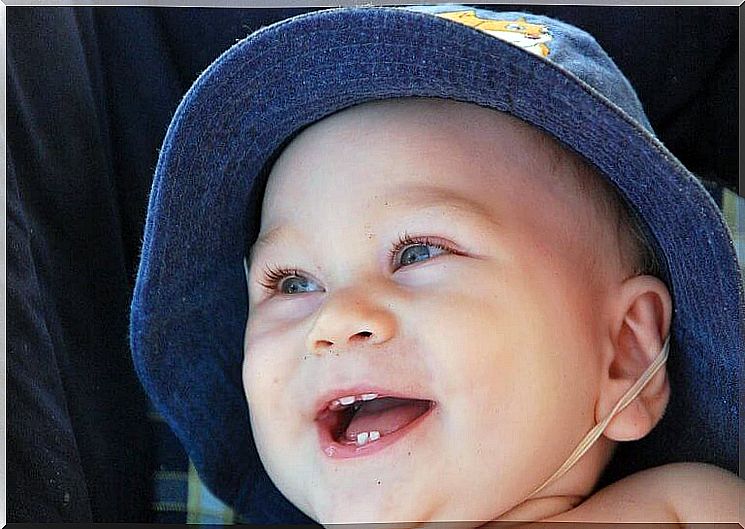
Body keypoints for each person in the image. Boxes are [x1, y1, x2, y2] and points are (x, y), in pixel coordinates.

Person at [129, 5, 743, 525]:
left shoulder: (688, 509)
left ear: (624, 350)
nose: (336, 318)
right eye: (292, 283)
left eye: (417, 252)